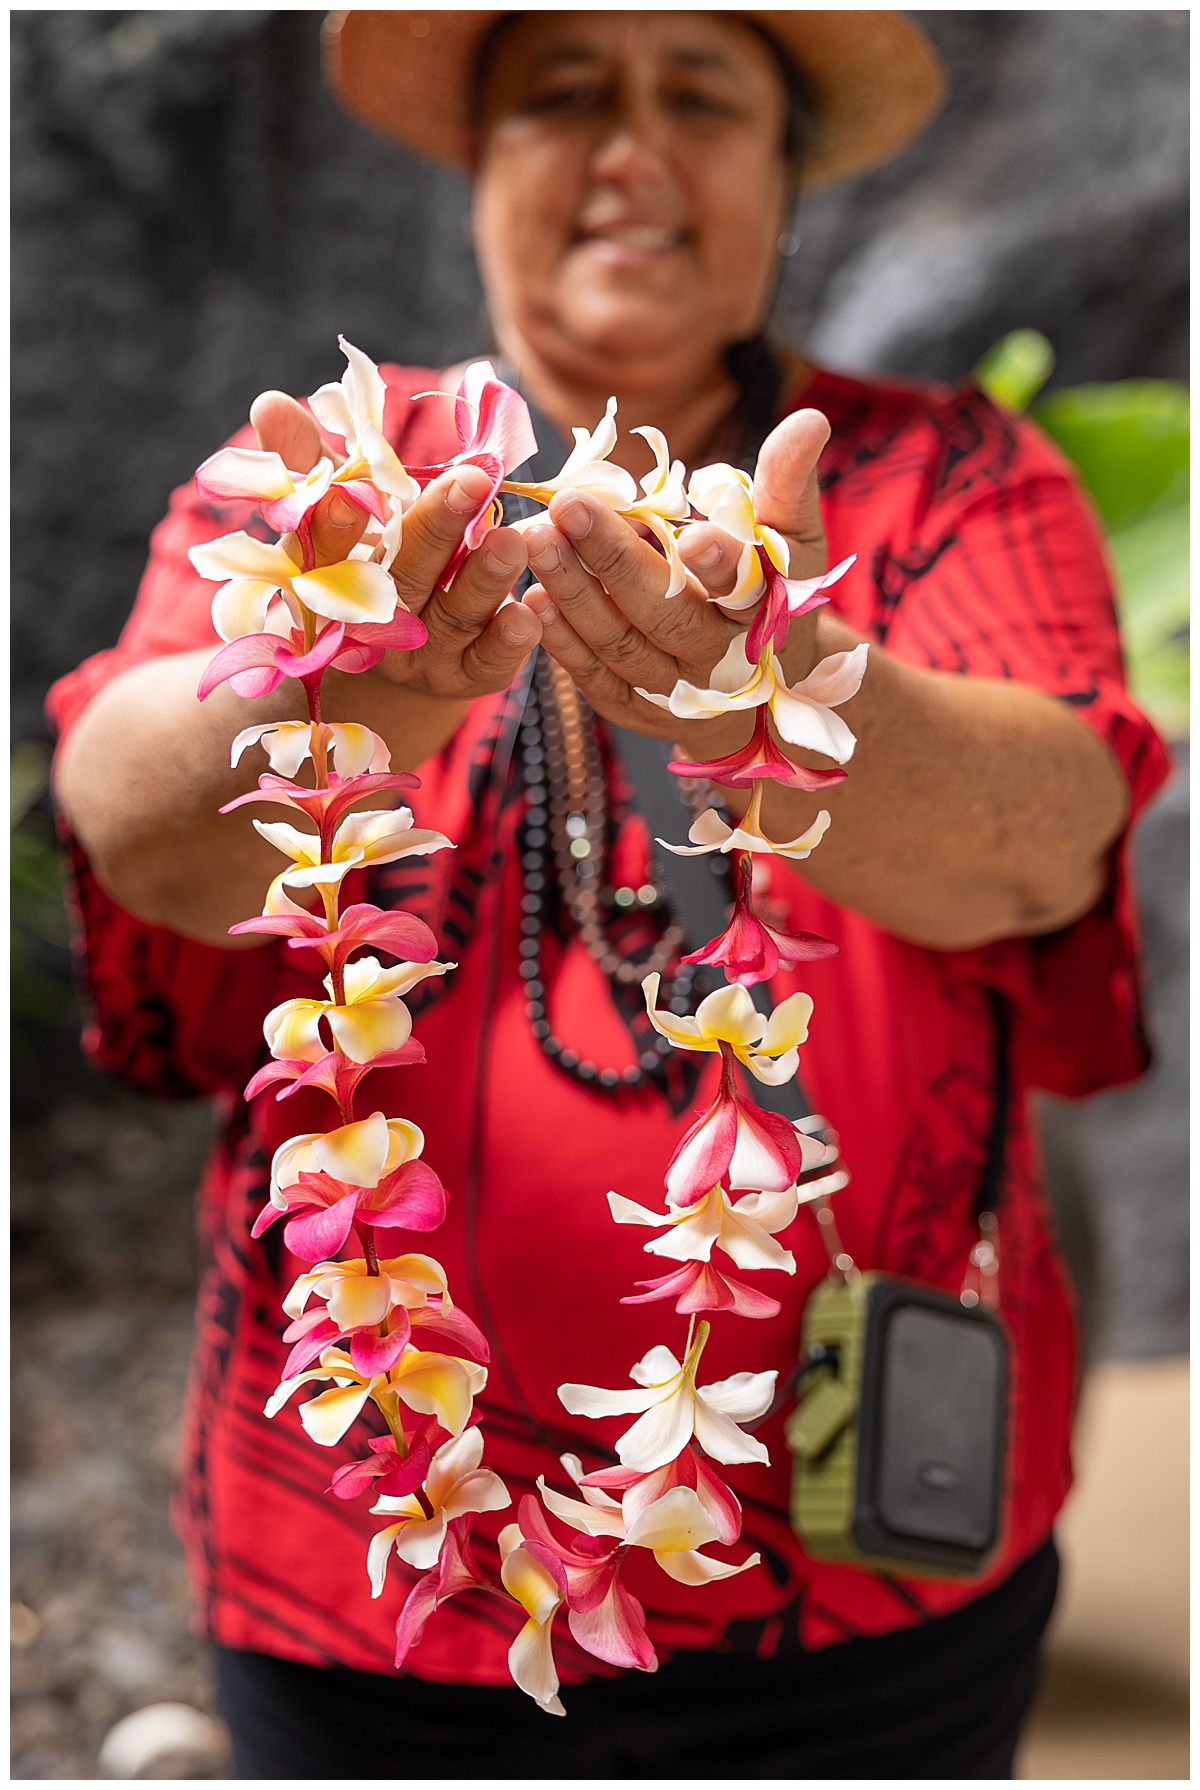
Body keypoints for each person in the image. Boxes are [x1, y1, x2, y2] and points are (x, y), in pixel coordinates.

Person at [50, 10, 1168, 1779]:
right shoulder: (328, 492)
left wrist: (791, 679)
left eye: (700, 97)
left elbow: (1046, 841)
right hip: (373, 1559)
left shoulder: (950, 478)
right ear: (479, 175)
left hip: (864, 1558)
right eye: (565, 97)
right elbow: (133, 821)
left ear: (783, 179)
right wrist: (354, 663)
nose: (632, 149)